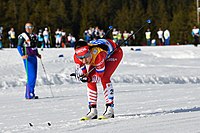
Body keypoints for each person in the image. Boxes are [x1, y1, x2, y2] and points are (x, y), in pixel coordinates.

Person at [73, 39, 123, 120]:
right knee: (89, 80)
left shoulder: (98, 54)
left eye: (86, 57)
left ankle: (110, 109)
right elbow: (85, 73)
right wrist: (84, 76)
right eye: (81, 58)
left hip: (115, 53)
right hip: (101, 54)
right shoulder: (77, 58)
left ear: (89, 52)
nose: (84, 61)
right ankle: (93, 110)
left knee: (105, 78)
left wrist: (89, 78)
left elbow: (99, 77)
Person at [17, 22, 41, 99]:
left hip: (33, 56)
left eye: (30, 27)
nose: (28, 28)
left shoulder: (34, 36)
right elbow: (19, 46)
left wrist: (37, 54)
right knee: (31, 76)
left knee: (34, 76)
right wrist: (22, 55)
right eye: (27, 27)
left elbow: (34, 46)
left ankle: (32, 92)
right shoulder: (23, 36)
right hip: (28, 58)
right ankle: (28, 94)